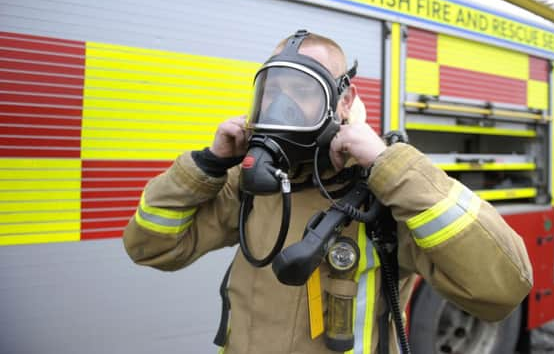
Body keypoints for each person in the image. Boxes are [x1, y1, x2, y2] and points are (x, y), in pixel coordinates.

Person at [123, 30, 533, 354]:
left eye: (301, 91)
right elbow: (151, 247)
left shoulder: (386, 193)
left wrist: (388, 165)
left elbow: (504, 287)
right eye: (273, 91)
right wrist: (208, 164)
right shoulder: (252, 183)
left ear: (343, 100)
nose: (282, 106)